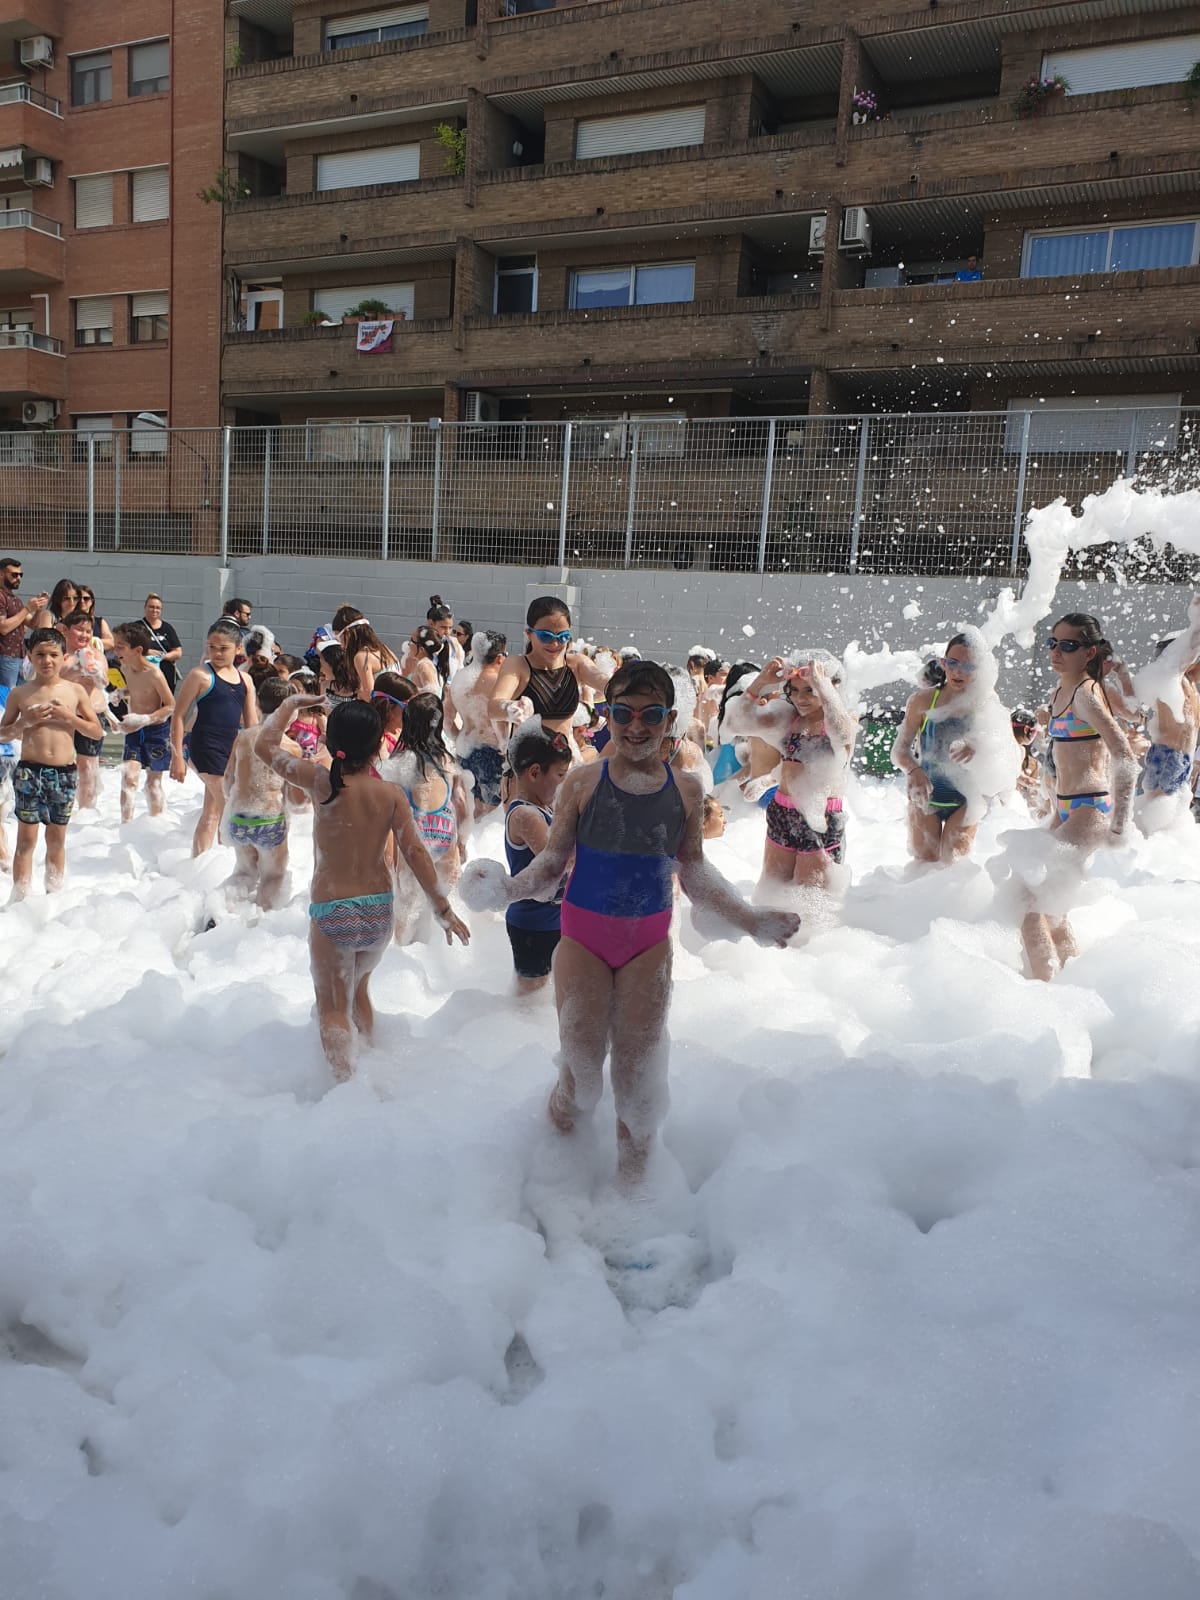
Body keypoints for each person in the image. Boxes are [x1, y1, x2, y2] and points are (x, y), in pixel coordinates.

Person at [463, 660, 799, 1188]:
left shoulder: (686, 791)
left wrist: (749, 919)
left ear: (670, 720)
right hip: (584, 941)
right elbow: (552, 864)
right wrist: (507, 890)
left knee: (638, 1081)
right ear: (608, 716)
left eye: (651, 715)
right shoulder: (581, 783)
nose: (636, 726)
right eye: (623, 713)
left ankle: (634, 1198)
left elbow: (693, 869)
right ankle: (551, 1161)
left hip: (647, 945)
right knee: (582, 1078)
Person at [254, 696, 469, 1082]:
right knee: (358, 994)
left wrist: (291, 705)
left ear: (330, 740)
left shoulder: (321, 782)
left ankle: (346, 1088)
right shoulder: (389, 794)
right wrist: (442, 907)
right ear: (377, 747)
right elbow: (416, 853)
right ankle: (372, 1067)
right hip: (378, 915)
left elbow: (264, 746)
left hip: (333, 911)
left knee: (332, 1007)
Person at [1020, 613, 1134, 982]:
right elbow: (1060, 757)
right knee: (1053, 909)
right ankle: (1071, 981)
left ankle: (1042, 988)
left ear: (1089, 653)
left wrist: (1120, 824)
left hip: (1089, 808)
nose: (1056, 651)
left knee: (1028, 900)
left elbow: (1125, 756)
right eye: (1052, 643)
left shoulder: (1086, 694)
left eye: (1068, 645)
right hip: (1066, 807)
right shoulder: (1058, 693)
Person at [724, 652, 858, 893]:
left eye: (809, 690)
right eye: (794, 690)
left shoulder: (841, 721)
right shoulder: (790, 718)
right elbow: (735, 724)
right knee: (772, 892)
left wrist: (824, 687)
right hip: (782, 812)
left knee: (810, 898)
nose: (800, 698)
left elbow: (844, 735)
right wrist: (761, 682)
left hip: (820, 818)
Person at [0, 627, 103, 900]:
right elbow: (2, 734)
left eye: (53, 654)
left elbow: (96, 731)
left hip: (64, 773)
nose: (47, 660)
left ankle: (53, 897)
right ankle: (20, 899)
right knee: (26, 841)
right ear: (29, 657)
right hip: (29, 772)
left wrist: (69, 717)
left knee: (56, 839)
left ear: (63, 656)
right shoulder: (20, 694)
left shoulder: (75, 691)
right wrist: (25, 722)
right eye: (40, 654)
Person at [383, 691, 470, 942]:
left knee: (407, 907)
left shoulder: (398, 763)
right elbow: (461, 806)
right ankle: (442, 952)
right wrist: (462, 843)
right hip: (445, 838)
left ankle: (403, 950)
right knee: (446, 898)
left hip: (415, 841)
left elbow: (390, 815)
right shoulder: (448, 762)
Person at [892, 635, 985, 864]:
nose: (958, 672)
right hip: (926, 793)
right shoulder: (922, 700)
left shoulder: (985, 705)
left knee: (953, 866)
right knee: (924, 866)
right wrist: (914, 771)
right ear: (943, 663)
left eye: (968, 666)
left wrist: (978, 744)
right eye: (952, 663)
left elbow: (1001, 750)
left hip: (966, 798)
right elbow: (899, 751)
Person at [170, 619, 259, 855]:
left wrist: (255, 759)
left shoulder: (245, 680)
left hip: (229, 750)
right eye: (212, 647)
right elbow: (178, 715)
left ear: (238, 649)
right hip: (202, 746)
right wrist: (176, 756)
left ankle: (199, 862)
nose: (217, 653)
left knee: (213, 811)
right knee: (229, 808)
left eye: (223, 648)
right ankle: (230, 865)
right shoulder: (200, 675)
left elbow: (251, 725)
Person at [504, 723, 572, 994]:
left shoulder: (544, 808)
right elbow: (558, 863)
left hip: (552, 918)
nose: (564, 782)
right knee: (529, 999)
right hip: (533, 924)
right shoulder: (525, 815)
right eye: (560, 774)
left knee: (549, 996)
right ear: (534, 772)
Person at [488, 596, 610, 744]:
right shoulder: (518, 665)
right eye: (546, 636)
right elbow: (493, 707)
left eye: (563, 636)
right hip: (528, 757)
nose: (555, 643)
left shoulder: (576, 664)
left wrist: (623, 683)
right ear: (529, 634)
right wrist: (511, 708)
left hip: (567, 754)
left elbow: (606, 683)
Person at [223, 676, 299, 911]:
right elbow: (295, 799)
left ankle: (220, 913)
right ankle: (260, 925)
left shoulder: (244, 737)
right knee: (273, 877)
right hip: (269, 822)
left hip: (238, 819)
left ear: (257, 703)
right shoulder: (290, 746)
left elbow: (228, 780)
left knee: (244, 872)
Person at [111, 621, 174, 822]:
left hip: (156, 731)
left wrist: (146, 718)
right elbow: (135, 690)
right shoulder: (126, 667)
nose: (115, 650)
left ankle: (156, 823)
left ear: (137, 650)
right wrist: (121, 692)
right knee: (128, 778)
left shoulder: (154, 674)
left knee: (152, 784)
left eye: (120, 646)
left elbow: (170, 705)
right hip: (134, 730)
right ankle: (125, 825)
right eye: (115, 645)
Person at [445, 630, 508, 817]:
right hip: (492, 752)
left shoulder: (460, 678)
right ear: (499, 658)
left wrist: (458, 738)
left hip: (465, 749)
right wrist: (505, 746)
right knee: (490, 813)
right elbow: (502, 722)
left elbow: (447, 720)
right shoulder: (498, 683)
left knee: (468, 809)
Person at [58, 609, 111, 811]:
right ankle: (62, 809)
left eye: (88, 631)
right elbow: (49, 681)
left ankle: (86, 815)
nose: (85, 635)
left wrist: (96, 673)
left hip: (91, 715)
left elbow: (103, 682)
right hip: (63, 716)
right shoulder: (59, 655)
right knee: (62, 763)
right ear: (66, 630)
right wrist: (72, 670)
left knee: (88, 767)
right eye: (79, 630)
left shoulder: (96, 655)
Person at [1141, 628, 1200, 805]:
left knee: (1174, 810)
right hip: (1167, 757)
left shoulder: (1190, 683)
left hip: (1184, 758)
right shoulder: (1172, 680)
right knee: (1159, 807)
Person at [332, 604, 400, 700]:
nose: (340, 644)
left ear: (347, 633)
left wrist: (358, 693)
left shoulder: (362, 656)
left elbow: (370, 696)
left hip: (384, 707)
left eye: (338, 637)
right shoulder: (383, 648)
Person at [0, 559, 47, 689]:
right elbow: (3, 628)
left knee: (21, 694)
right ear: (1, 574)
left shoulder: (15, 600)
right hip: (5, 656)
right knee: (7, 695)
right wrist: (27, 609)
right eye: (14, 575)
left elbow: (33, 625)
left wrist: (38, 608)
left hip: (19, 656)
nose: (18, 578)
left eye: (21, 575)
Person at [141, 594, 182, 690]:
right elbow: (128, 649)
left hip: (166, 674)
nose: (154, 610)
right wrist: (146, 652)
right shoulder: (136, 627)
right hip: (143, 674)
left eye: (158, 608)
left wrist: (162, 656)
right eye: (151, 607)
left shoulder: (167, 628)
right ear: (145, 608)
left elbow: (178, 652)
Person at [76, 585, 114, 652]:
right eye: (78, 598)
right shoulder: (69, 621)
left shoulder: (99, 622)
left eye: (86, 598)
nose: (82, 601)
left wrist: (94, 641)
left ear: (92, 601)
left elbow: (111, 643)